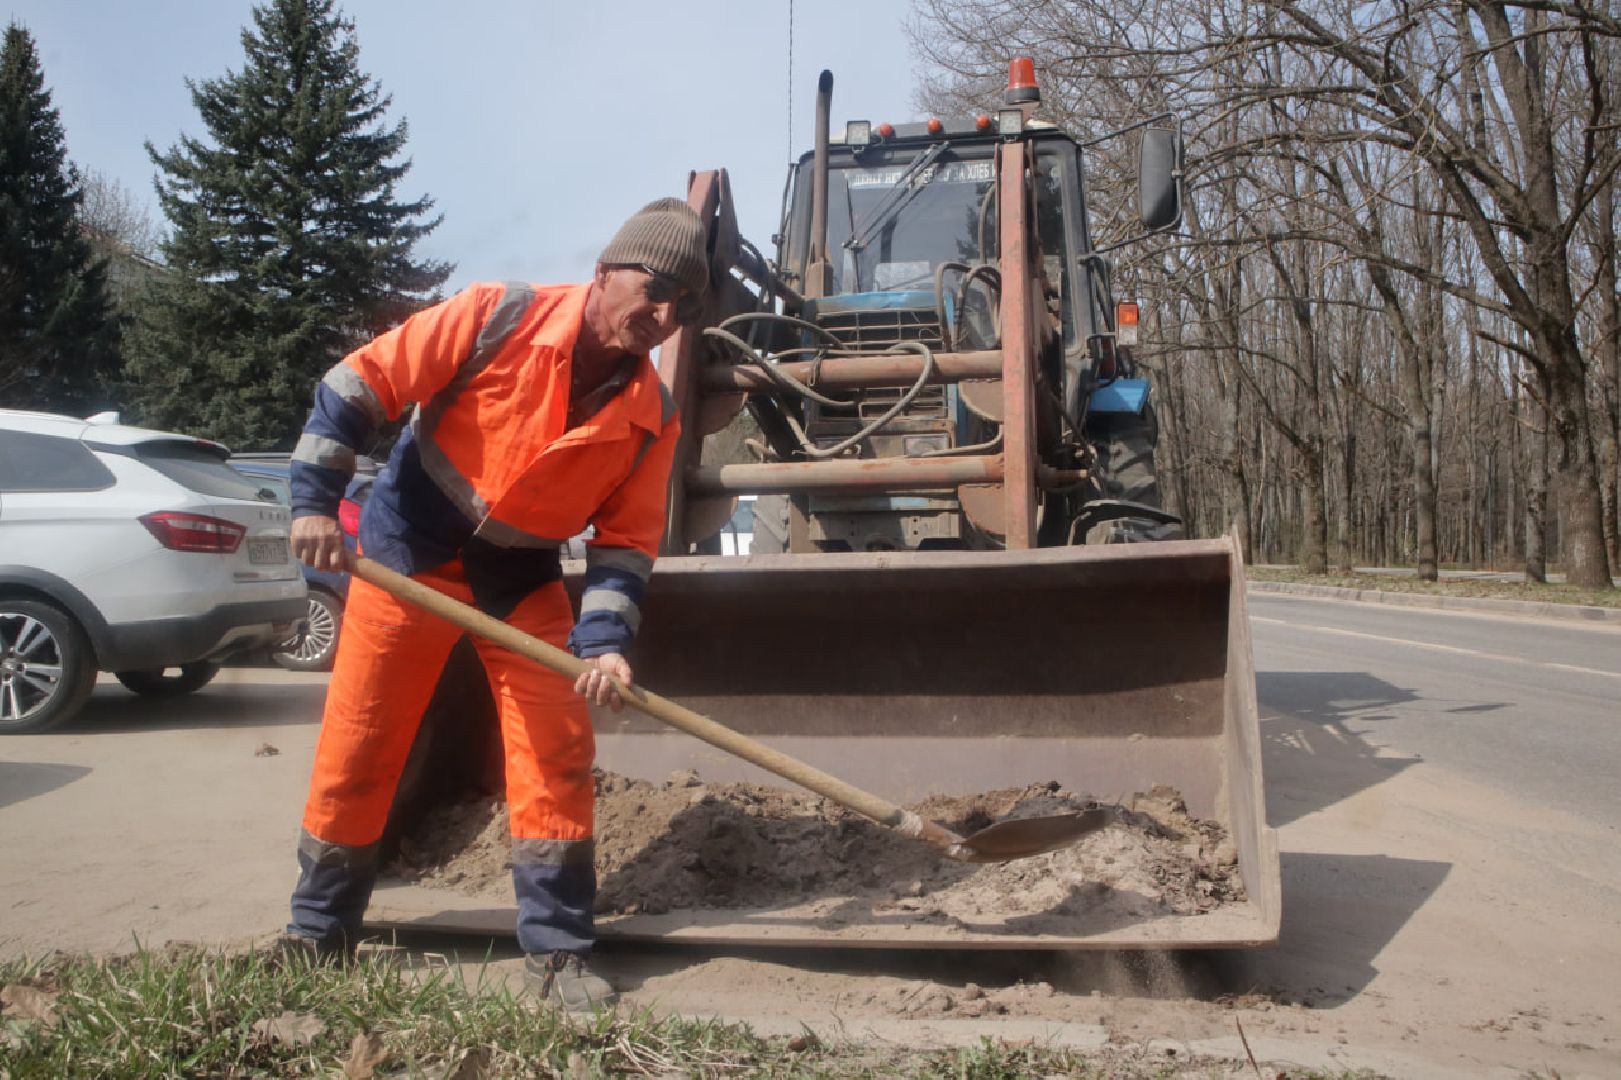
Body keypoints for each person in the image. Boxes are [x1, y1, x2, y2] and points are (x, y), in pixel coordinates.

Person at [279, 197, 708, 1009]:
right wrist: (312, 501)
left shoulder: (651, 415)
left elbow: (624, 543)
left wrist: (605, 639)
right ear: (604, 271)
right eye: (651, 290)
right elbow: (358, 384)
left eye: (682, 308)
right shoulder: (495, 316)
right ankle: (317, 929)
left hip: (516, 580)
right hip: (405, 556)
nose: (660, 316)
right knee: (362, 741)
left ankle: (557, 951)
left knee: (554, 749)